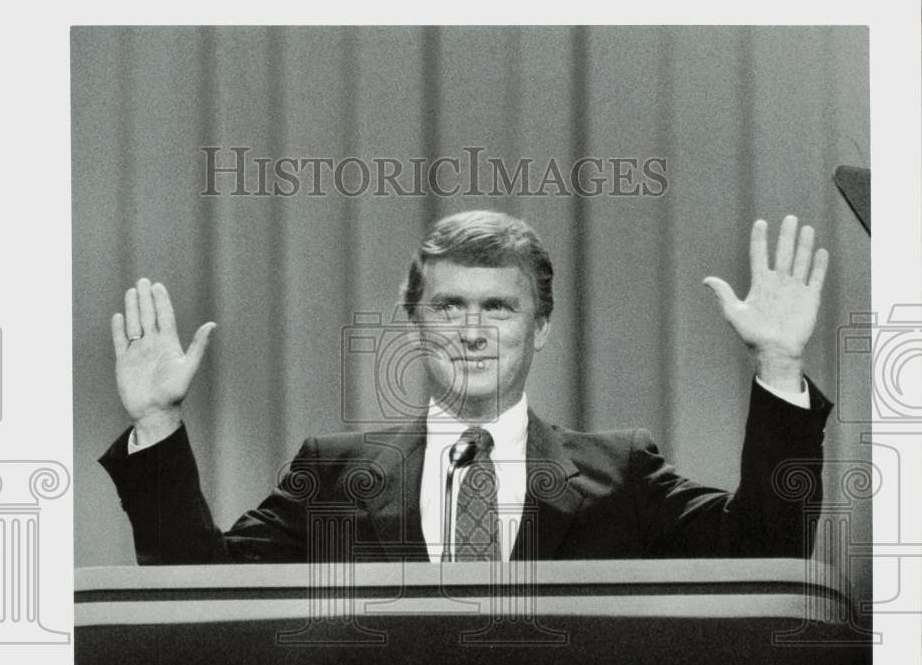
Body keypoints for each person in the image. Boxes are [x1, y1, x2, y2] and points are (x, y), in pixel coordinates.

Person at [100, 210, 832, 564]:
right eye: (449, 306)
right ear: (413, 322)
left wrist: (777, 365)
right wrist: (159, 417)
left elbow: (770, 549)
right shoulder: (333, 472)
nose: (472, 332)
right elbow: (197, 587)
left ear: (540, 326)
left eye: (499, 307)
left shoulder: (625, 473)